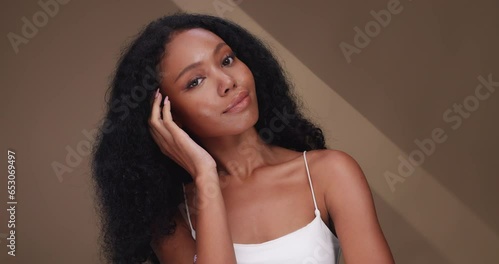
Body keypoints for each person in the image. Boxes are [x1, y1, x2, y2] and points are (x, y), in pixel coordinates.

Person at [91, 12, 395, 264]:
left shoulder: (328, 174)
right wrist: (206, 176)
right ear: (169, 115)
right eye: (195, 81)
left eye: (226, 60)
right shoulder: (171, 220)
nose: (228, 82)